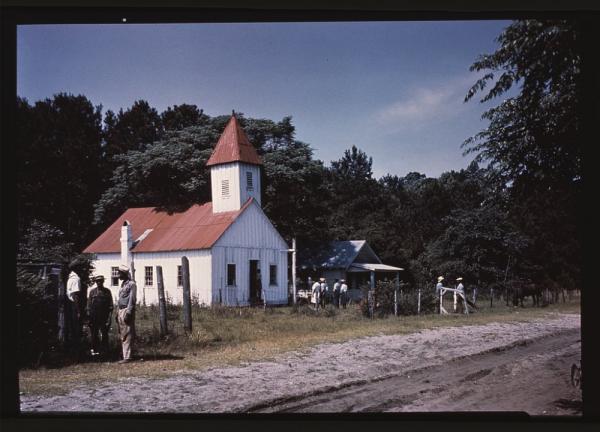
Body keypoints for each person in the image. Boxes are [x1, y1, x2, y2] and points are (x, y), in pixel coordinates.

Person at [86, 275, 114, 357]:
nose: (99, 283)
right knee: (94, 334)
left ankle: (104, 351)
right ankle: (95, 351)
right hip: (94, 316)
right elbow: (88, 306)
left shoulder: (107, 291)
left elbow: (111, 306)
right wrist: (89, 318)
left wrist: (109, 318)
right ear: (95, 282)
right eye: (97, 281)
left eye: (100, 281)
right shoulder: (92, 292)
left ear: (103, 282)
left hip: (104, 317)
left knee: (104, 334)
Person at [116, 264, 137, 363]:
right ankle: (125, 354)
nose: (118, 275)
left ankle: (127, 356)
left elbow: (132, 300)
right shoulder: (123, 284)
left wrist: (128, 312)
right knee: (122, 333)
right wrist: (117, 313)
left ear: (124, 274)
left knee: (127, 332)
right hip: (120, 310)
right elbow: (120, 299)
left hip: (126, 310)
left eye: (120, 273)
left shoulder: (132, 284)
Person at [66, 259, 86, 354]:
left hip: (71, 305)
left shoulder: (70, 277)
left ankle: (74, 350)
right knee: (77, 329)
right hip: (75, 305)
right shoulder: (75, 279)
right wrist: (78, 311)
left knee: (73, 328)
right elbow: (75, 295)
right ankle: (77, 352)